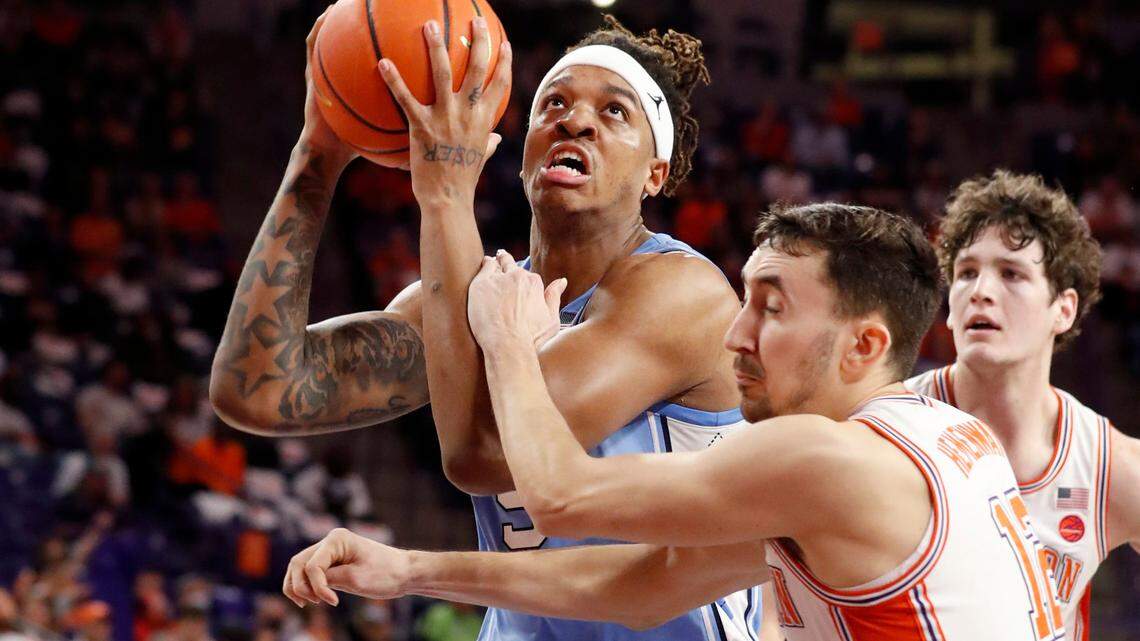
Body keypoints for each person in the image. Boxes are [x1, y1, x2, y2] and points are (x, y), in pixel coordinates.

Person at [209, 11, 773, 641]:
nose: (575, 119)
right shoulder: (472, 296)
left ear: (655, 173)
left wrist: (446, 193)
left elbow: (487, 454)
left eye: (615, 112)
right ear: (523, 150)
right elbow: (256, 387)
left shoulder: (682, 293)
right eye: (553, 103)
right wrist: (317, 157)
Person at [284, 204, 1066, 641]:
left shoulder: (829, 458)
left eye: (772, 310)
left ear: (864, 344)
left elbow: (558, 496)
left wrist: (508, 342)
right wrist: (410, 570)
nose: (735, 336)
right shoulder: (943, 430)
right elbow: (649, 584)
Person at [904, 170, 1139, 640]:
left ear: (1064, 309)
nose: (981, 291)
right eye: (967, 272)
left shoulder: (1109, 465)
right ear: (948, 308)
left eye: (1011, 273)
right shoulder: (890, 425)